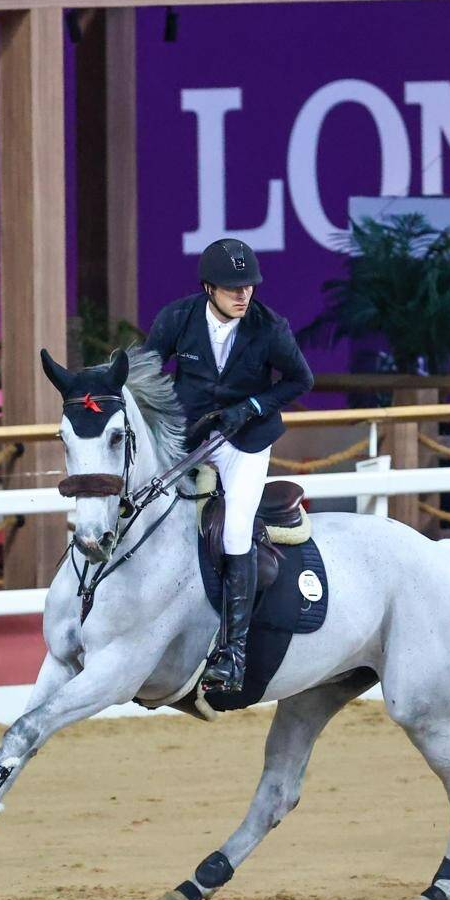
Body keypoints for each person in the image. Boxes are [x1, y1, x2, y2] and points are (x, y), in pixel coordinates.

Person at [144, 238, 314, 697]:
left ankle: (233, 653)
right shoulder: (177, 318)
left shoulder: (269, 326)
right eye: (232, 288)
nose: (244, 295)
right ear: (208, 288)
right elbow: (145, 368)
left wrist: (255, 404)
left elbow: (302, 380)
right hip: (191, 432)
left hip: (246, 439)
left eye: (249, 287)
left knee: (237, 528)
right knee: (147, 501)